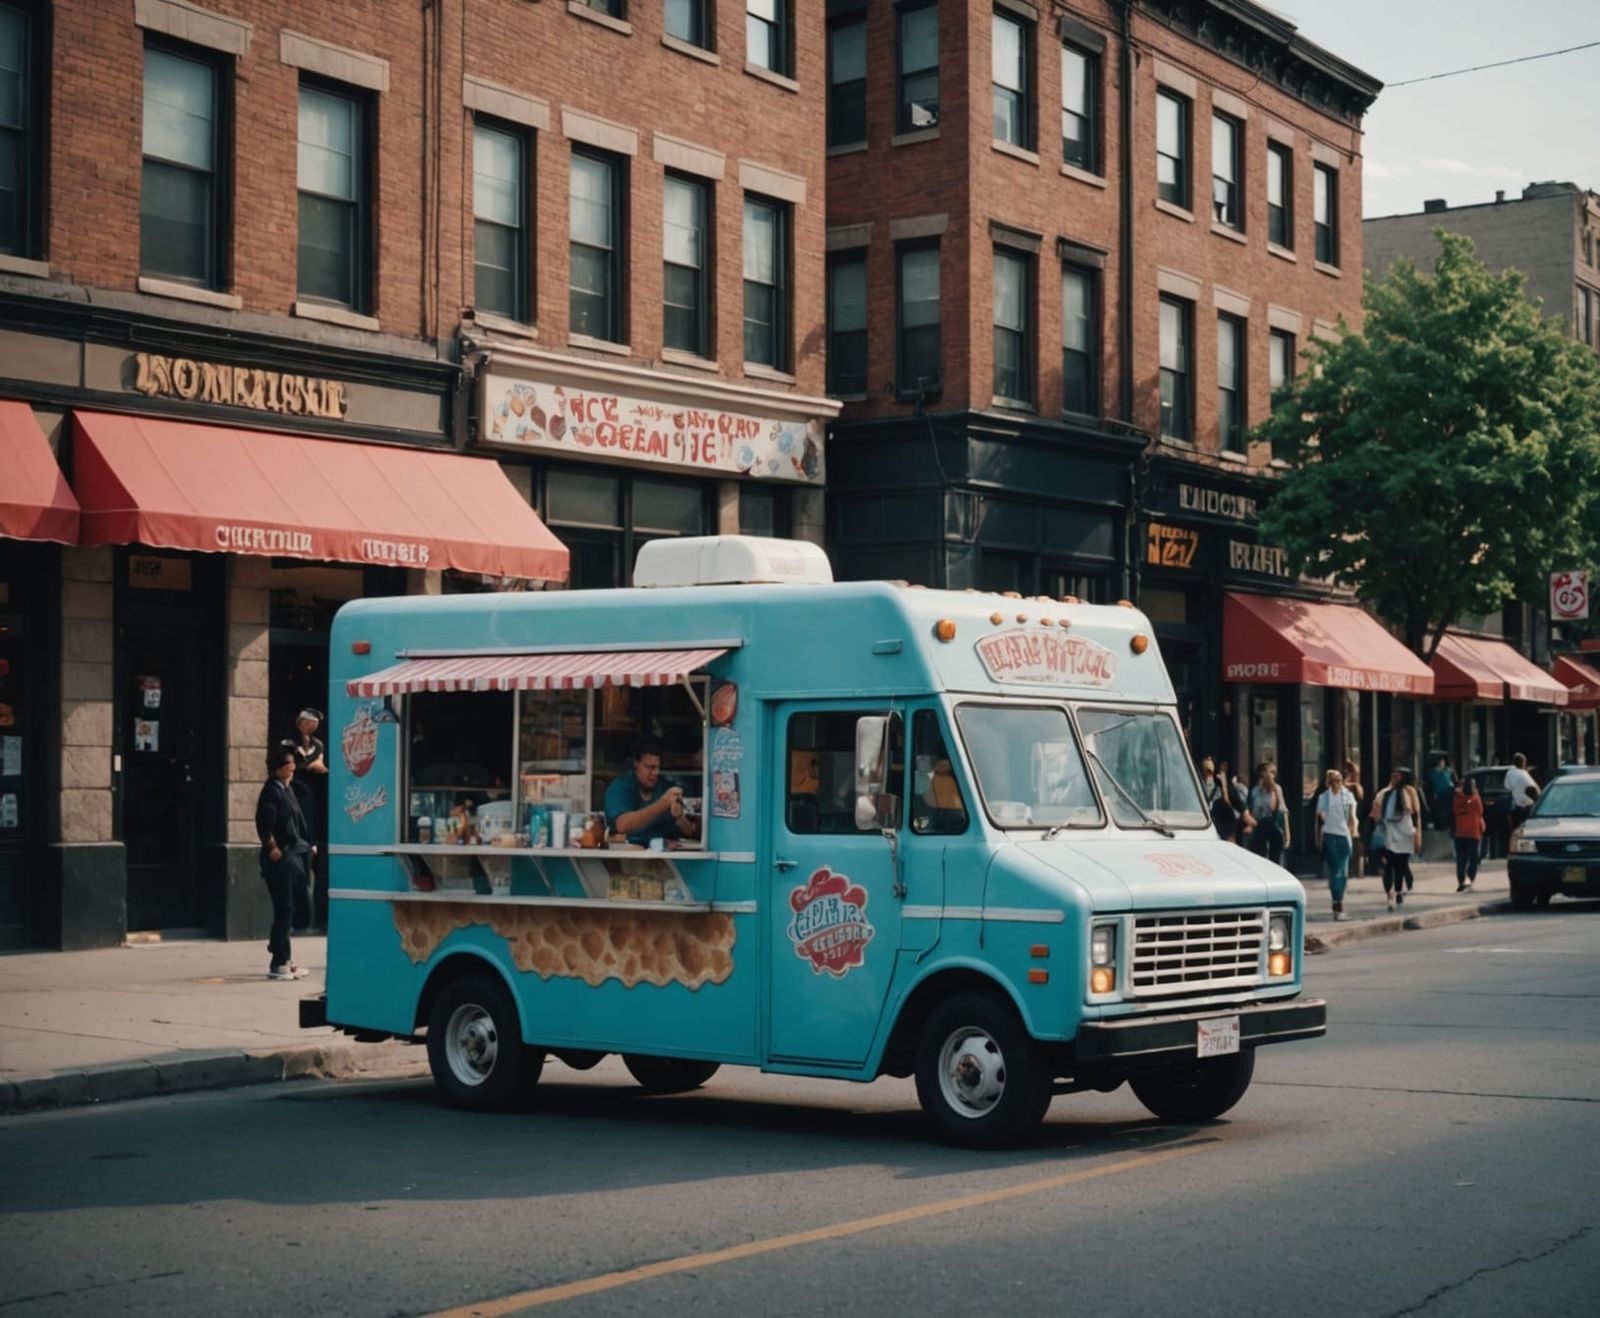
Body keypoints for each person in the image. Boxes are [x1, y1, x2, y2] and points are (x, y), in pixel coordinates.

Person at [255, 744, 312, 980]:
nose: (293, 767)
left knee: (296, 906)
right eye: (289, 763)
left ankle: (282, 953)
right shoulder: (272, 791)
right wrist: (273, 848)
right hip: (279, 859)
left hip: (294, 856)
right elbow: (264, 824)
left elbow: (298, 822)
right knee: (284, 908)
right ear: (279, 768)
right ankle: (279, 962)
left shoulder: (287, 790)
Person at [604, 737, 699, 847]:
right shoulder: (619, 788)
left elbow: (688, 832)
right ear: (636, 763)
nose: (656, 773)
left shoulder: (666, 787)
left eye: (658, 767)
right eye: (650, 767)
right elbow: (622, 825)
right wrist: (662, 804)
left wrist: (679, 816)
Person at [1372, 768, 1422, 911]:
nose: (1393, 779)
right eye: (1392, 776)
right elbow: (1377, 810)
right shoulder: (1385, 793)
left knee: (1400, 865)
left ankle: (1399, 891)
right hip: (1390, 832)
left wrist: (1416, 832)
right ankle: (1390, 894)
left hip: (1405, 832)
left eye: (1397, 777)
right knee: (1390, 865)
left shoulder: (1409, 791)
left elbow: (1415, 811)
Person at [1315, 768, 1358, 919]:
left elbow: (1352, 816)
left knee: (1343, 872)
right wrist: (1318, 837)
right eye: (1335, 780)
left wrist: (1353, 832)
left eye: (1340, 780)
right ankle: (1337, 902)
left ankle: (1338, 900)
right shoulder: (1323, 797)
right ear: (1329, 782)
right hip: (1329, 836)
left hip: (1343, 836)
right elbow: (1319, 820)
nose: (1338, 783)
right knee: (1335, 871)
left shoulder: (1348, 796)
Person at [1246, 763, 1288, 866]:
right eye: (1271, 772)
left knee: (1275, 859)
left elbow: (1278, 809)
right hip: (1258, 825)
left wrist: (1287, 833)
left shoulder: (1277, 789)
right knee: (1258, 857)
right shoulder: (1254, 791)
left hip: (1273, 825)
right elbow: (1249, 810)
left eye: (1274, 773)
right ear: (1263, 773)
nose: (1273, 775)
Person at [1452, 776, 1485, 892]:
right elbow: (1480, 811)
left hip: (1460, 832)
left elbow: (1455, 811)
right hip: (1474, 832)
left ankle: (1461, 880)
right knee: (1473, 859)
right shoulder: (1475, 797)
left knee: (1461, 859)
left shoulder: (1458, 798)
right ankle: (1469, 880)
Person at [1200, 757, 1238, 841]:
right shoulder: (1197, 785)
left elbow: (1228, 807)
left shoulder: (1220, 787)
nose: (1207, 774)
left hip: (1219, 825)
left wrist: (1224, 786)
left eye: (1210, 772)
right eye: (1205, 771)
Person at [1505, 752, 1540, 831]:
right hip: (1527, 807)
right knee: (1527, 829)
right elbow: (1534, 789)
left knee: (1517, 830)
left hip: (1517, 806)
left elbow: (1507, 786)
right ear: (1523, 763)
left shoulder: (1510, 772)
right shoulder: (1524, 774)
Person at [1427, 754, 1456, 832]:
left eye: (1443, 762)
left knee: (1447, 809)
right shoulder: (1434, 771)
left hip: (1448, 791)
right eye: (1441, 762)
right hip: (1440, 792)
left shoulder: (1448, 770)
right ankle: (1440, 824)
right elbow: (1432, 781)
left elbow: (1454, 778)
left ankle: (1446, 824)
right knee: (1440, 809)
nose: (1442, 763)